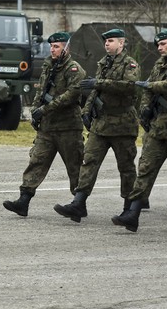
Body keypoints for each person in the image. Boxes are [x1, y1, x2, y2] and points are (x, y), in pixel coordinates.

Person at [112, 29, 167, 233]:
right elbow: (147, 92)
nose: (159, 48)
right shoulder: (160, 65)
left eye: (163, 44)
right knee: (145, 170)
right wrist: (145, 109)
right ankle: (133, 213)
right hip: (158, 127)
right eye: (158, 45)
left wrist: (150, 86)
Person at [54, 28, 139, 222]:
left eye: (111, 41)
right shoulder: (103, 63)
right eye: (106, 41)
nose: (107, 44)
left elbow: (129, 86)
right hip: (101, 125)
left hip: (122, 124)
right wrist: (86, 111)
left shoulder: (130, 64)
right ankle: (79, 203)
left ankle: (130, 209)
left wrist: (98, 83)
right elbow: (94, 91)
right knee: (89, 162)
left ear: (121, 43)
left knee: (126, 168)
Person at [2, 31, 85, 217]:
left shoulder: (74, 69)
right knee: (36, 162)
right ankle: (23, 201)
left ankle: (79, 202)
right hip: (47, 128)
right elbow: (41, 93)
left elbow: (72, 95)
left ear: (66, 48)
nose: (52, 49)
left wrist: (45, 110)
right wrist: (35, 111)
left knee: (75, 167)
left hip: (68, 127)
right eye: (51, 46)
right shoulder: (49, 67)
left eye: (57, 46)